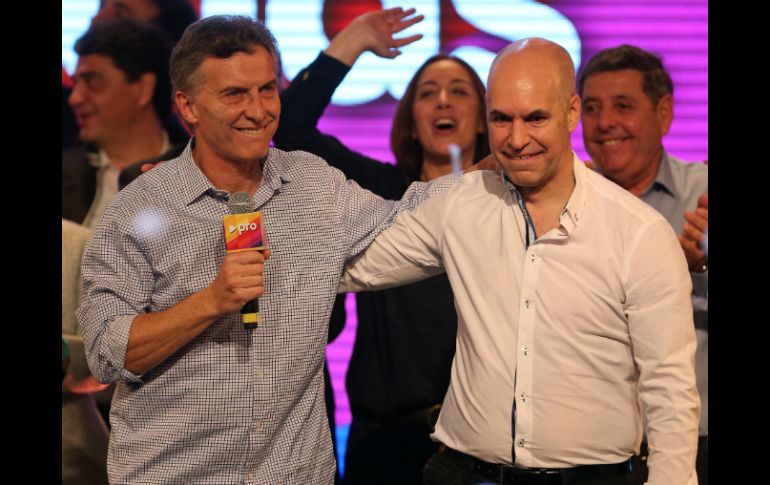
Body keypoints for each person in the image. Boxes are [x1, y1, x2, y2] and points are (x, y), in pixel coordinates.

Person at [77, 15, 457, 484]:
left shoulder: (314, 184)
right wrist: (211, 301)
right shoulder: (138, 209)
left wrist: (504, 170)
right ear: (187, 106)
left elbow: (412, 211)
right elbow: (105, 351)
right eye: (235, 94)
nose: (257, 111)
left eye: (267, 90)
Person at [340, 38, 700, 485]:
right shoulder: (460, 205)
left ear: (571, 112)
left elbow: (670, 392)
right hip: (464, 474)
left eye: (535, 118)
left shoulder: (638, 232)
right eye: (501, 119)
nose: (516, 139)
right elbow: (350, 268)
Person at [273, 7, 489, 485]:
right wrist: (350, 43)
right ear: (411, 123)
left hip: (479, 445)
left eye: (459, 91)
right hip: (386, 442)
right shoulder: (375, 192)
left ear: (483, 120)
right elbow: (288, 131)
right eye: (428, 93)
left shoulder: (505, 205)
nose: (443, 101)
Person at [577, 44, 708, 484]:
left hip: (695, 449)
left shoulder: (703, 194)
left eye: (623, 106)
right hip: (593, 460)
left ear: (664, 114)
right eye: (591, 108)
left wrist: (702, 267)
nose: (604, 122)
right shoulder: (562, 206)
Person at [62, 19, 182, 227]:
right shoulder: (66, 173)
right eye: (76, 83)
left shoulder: (200, 169)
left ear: (143, 88)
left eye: (92, 81)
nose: (75, 98)